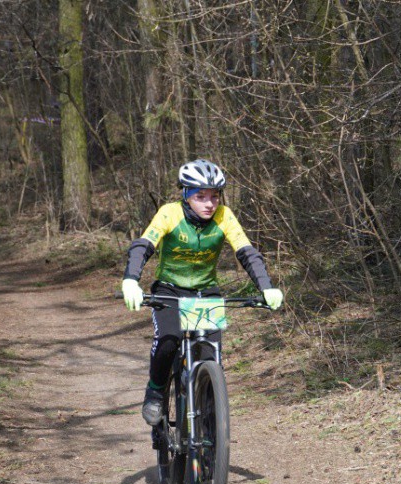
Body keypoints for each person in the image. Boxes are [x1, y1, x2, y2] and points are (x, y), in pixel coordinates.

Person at [121, 159, 283, 425]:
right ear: (185, 195)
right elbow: (143, 246)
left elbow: (247, 252)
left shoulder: (224, 216)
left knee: (211, 354)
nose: (210, 203)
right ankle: (156, 392)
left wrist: (266, 286)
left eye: (215, 196)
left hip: (205, 292)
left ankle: (209, 419)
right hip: (170, 290)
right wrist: (131, 280)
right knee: (169, 340)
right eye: (201, 196)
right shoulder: (169, 213)